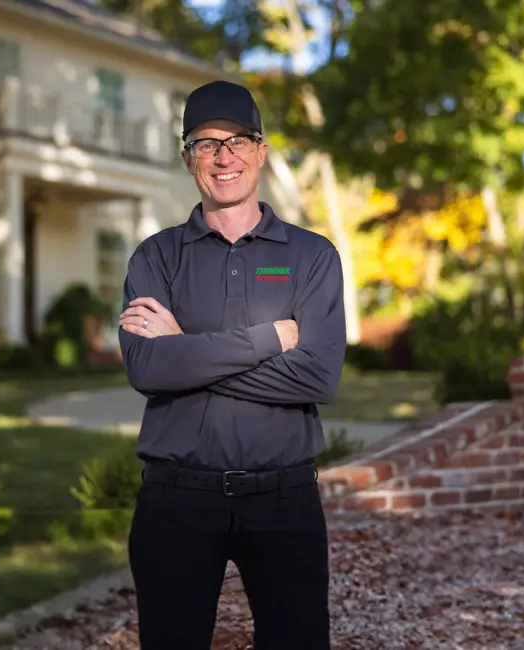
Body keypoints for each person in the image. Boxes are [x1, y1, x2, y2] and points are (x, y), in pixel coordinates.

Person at [117, 79, 346, 650]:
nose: (224, 157)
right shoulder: (156, 256)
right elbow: (149, 369)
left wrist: (185, 343)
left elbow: (318, 376)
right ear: (188, 159)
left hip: (283, 498)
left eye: (238, 141)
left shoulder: (312, 256)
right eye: (206, 144)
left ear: (261, 152)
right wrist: (271, 338)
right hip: (176, 502)